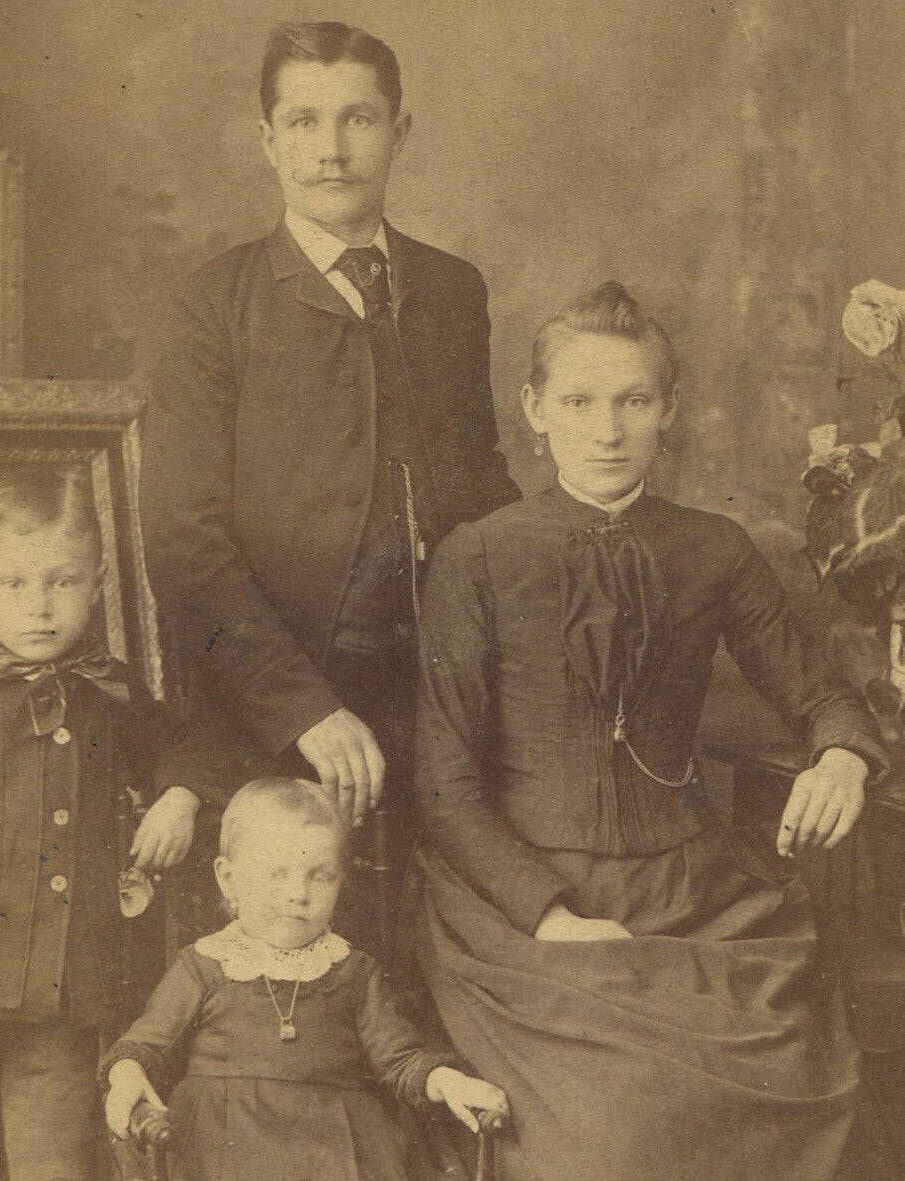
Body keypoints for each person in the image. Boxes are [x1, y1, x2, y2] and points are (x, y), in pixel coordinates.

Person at [411, 282, 890, 1180]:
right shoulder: (479, 553)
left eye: (634, 399)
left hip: (696, 897)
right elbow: (444, 778)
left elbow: (819, 691)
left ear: (669, 409)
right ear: (534, 409)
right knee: (614, 1141)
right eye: (580, 401)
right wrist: (549, 918)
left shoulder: (715, 547)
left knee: (800, 1105)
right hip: (520, 908)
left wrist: (840, 759)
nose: (607, 428)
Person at [139, 22, 518, 911]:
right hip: (272, 695)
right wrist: (302, 707)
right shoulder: (212, 305)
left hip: (438, 684)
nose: (332, 149)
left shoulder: (453, 289)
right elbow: (182, 543)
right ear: (268, 140)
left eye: (359, 118)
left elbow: (481, 486)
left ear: (400, 131)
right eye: (303, 122)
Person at [0, 467, 199, 1181]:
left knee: (57, 1162)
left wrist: (180, 795)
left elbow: (178, 744)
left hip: (64, 1001)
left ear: (99, 580)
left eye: (63, 581)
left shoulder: (109, 687)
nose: (41, 607)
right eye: (15, 584)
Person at [102, 776, 508, 1181]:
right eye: (276, 873)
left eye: (320, 876)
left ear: (341, 882)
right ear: (228, 878)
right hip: (224, 1140)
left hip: (336, 1143)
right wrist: (127, 1076)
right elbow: (144, 1045)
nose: (298, 893)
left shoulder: (352, 970)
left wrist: (447, 1081)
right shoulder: (204, 965)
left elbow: (399, 1059)